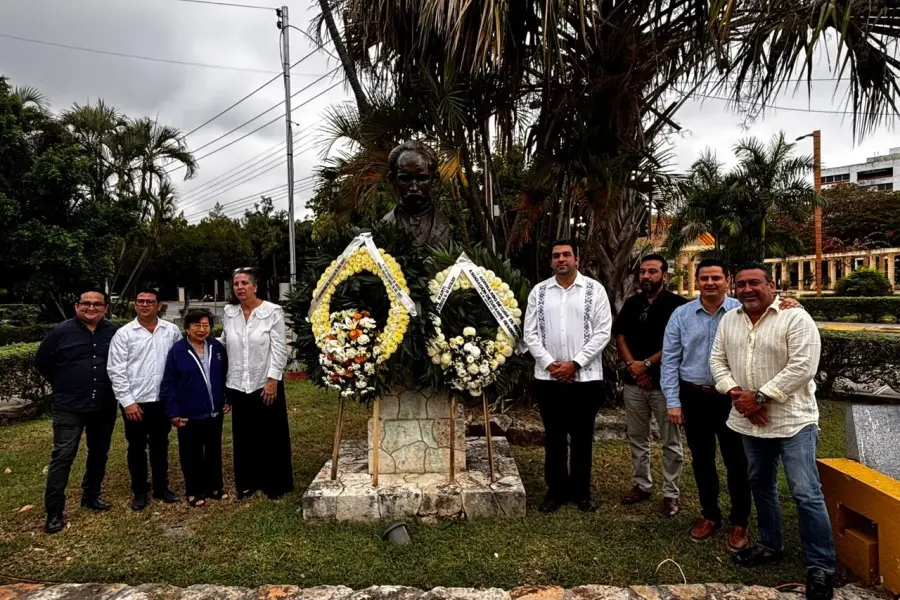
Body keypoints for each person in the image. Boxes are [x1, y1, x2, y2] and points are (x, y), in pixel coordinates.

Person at [710, 264, 835, 600]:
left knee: (805, 491)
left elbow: (803, 366)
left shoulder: (796, 318)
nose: (747, 289)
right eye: (741, 284)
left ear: (772, 285)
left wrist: (760, 396)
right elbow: (717, 360)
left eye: (754, 283)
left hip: (793, 420)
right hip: (749, 422)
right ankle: (769, 545)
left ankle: (820, 565)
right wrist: (736, 393)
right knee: (761, 486)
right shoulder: (729, 320)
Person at [661, 259, 751, 549]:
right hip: (695, 396)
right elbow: (671, 360)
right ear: (696, 281)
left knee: (737, 461)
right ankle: (710, 515)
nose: (710, 283)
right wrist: (673, 402)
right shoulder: (681, 315)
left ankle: (740, 522)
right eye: (704, 278)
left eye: (716, 278)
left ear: (728, 279)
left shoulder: (743, 311)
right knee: (702, 460)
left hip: (733, 399)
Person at [524, 239, 612, 514]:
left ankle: (582, 493)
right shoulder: (539, 292)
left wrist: (575, 363)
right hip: (549, 380)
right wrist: (552, 365)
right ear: (551, 261)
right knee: (554, 438)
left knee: (583, 437)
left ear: (577, 259)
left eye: (566, 255)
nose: (561, 259)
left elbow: (602, 332)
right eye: (555, 255)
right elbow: (530, 334)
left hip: (585, 379)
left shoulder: (594, 290)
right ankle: (555, 492)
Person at [34, 289, 120, 534]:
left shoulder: (113, 332)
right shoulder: (61, 332)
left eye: (97, 304)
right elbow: (42, 363)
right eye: (86, 304)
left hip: (103, 404)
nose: (91, 308)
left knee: (99, 452)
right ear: (76, 306)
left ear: (105, 308)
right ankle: (54, 511)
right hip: (69, 406)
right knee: (63, 455)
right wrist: (65, 382)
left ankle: (91, 496)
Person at [614, 254, 687, 517]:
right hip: (634, 384)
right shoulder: (632, 303)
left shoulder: (678, 306)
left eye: (653, 271)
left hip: (664, 385)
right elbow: (620, 336)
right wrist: (634, 366)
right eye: (643, 271)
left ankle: (671, 493)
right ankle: (642, 484)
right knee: (637, 436)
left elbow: (675, 345)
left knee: (670, 440)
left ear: (664, 275)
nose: (646, 276)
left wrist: (645, 365)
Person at [107, 288, 183, 511]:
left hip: (162, 400)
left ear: (159, 305)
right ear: (135, 304)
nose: (145, 304)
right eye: (141, 301)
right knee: (137, 447)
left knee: (161, 445)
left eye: (150, 301)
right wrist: (127, 402)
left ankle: (161, 488)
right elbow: (116, 370)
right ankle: (139, 491)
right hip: (136, 401)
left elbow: (178, 364)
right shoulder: (124, 334)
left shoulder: (171, 331)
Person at [223, 268, 293, 500]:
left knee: (271, 434)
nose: (240, 287)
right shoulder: (229, 312)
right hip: (238, 383)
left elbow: (280, 348)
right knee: (243, 436)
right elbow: (225, 342)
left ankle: (275, 483)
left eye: (244, 283)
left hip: (265, 382)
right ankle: (247, 483)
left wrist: (273, 379)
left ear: (255, 286)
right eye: (236, 283)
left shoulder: (272, 312)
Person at [160, 309, 228, 507]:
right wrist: (173, 412)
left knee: (214, 449)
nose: (201, 329)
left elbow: (225, 375)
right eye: (196, 325)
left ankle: (214, 486)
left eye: (205, 325)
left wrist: (227, 398)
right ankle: (194, 490)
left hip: (214, 411)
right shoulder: (178, 351)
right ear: (187, 328)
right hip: (189, 413)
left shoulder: (216, 347)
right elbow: (169, 384)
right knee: (191, 453)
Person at [381, 140, 451, 249]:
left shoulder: (448, 224)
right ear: (393, 180)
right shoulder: (384, 226)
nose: (413, 187)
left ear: (435, 179)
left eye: (422, 178)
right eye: (405, 179)